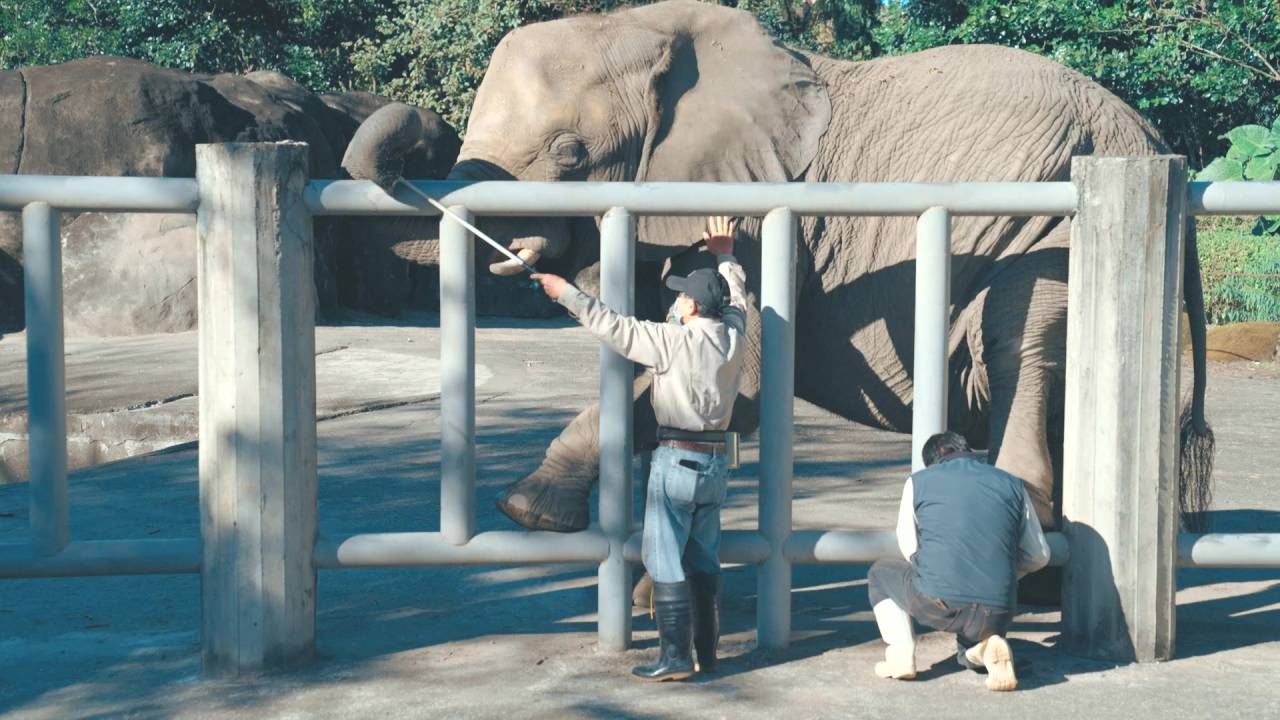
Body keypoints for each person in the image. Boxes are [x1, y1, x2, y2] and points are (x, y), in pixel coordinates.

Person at [531, 216, 747, 682]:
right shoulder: (733, 337)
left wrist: (564, 292)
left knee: (663, 558)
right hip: (715, 465)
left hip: (675, 460)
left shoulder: (671, 342)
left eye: (682, 294)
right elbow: (738, 295)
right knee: (705, 559)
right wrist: (726, 254)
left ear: (690, 306)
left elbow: (612, 325)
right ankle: (705, 654)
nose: (677, 299)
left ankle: (672, 657)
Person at [867, 431, 1051, 691]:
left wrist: (941, 570)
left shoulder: (919, 481)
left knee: (879, 574)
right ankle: (985, 650)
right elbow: (1040, 556)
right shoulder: (1013, 484)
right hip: (998, 611)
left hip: (941, 603)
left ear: (933, 460)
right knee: (972, 639)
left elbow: (908, 545)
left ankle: (901, 654)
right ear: (967, 451)